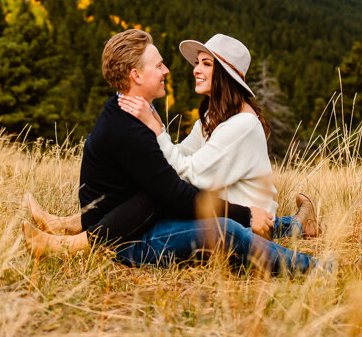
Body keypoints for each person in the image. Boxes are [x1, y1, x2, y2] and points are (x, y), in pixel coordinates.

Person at [22, 29, 326, 276]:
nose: (188, 69)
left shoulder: (240, 124)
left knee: (219, 226)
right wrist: (159, 134)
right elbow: (172, 169)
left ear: (224, 76)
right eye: (160, 65)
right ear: (136, 76)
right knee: (171, 198)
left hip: (246, 217)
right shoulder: (208, 117)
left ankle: (322, 269)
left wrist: (158, 131)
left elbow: (183, 178)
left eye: (206, 64)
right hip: (216, 215)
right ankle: (300, 226)